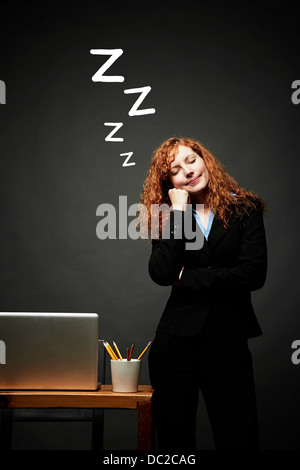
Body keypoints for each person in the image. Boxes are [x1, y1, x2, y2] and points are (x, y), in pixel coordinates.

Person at [139, 137, 268, 450]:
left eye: (191, 160)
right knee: (174, 442)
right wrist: (180, 212)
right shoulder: (168, 215)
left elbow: (252, 274)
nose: (187, 171)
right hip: (176, 344)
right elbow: (162, 273)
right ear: (169, 181)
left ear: (204, 158)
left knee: (239, 437)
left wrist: (190, 278)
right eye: (175, 170)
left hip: (228, 340)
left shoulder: (245, 209)